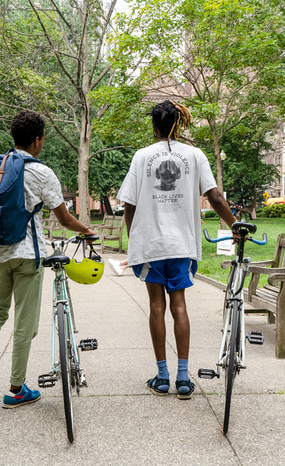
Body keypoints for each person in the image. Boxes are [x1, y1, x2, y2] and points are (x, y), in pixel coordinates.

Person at [0, 110, 96, 412]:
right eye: (43, 139)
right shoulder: (41, 172)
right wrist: (86, 230)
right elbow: (63, 218)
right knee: (24, 324)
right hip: (28, 255)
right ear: (36, 139)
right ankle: (15, 389)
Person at [117, 100, 237, 400]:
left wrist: (135, 239)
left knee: (156, 307)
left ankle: (162, 377)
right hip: (182, 244)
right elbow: (216, 196)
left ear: (154, 126)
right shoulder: (195, 155)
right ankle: (184, 379)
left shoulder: (141, 156)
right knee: (179, 305)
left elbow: (128, 205)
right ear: (179, 125)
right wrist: (234, 225)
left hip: (152, 244)